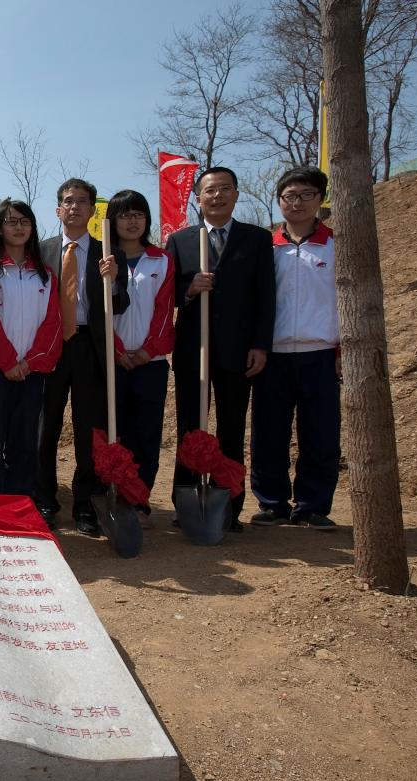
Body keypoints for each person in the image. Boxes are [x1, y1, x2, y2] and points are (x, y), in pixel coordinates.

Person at [168, 167, 276, 532]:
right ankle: (185, 501)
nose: (217, 196)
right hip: (191, 350)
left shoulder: (256, 239)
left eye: (224, 189)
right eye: (209, 191)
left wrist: (261, 344)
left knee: (231, 427)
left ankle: (229, 503)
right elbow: (167, 293)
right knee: (190, 427)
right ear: (198, 198)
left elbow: (266, 296)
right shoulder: (180, 241)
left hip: (237, 350)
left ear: (235, 194)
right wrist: (189, 287)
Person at [35, 179, 129, 536]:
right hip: (51, 345)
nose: (75, 207)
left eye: (82, 202)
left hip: (90, 345)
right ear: (58, 210)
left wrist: (115, 281)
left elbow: (120, 304)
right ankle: (44, 500)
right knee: (45, 426)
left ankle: (87, 504)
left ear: (93, 211)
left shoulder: (109, 253)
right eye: (68, 202)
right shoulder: (41, 251)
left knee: (89, 429)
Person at [250, 166, 340, 530]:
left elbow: (350, 300)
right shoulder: (266, 248)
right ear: (280, 201)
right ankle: (272, 503)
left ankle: (313, 505)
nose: (297, 203)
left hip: (321, 353)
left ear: (320, 199)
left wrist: (342, 351)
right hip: (273, 354)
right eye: (290, 196)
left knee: (320, 433)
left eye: (306, 195)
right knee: (268, 433)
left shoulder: (337, 245)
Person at [0, 200, 62, 496]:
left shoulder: (45, 274)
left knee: (25, 440)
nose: (19, 227)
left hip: (31, 372)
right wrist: (6, 361)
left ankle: (20, 502)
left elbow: (52, 323)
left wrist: (30, 362)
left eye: (25, 221)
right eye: (11, 221)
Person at [99, 190, 175, 528]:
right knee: (112, 434)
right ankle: (111, 499)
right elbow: (98, 312)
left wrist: (147, 350)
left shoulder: (162, 259)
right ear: (112, 221)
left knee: (145, 436)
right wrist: (115, 350)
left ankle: (139, 501)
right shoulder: (102, 259)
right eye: (124, 214)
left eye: (138, 214)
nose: (132, 221)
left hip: (150, 364)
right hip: (110, 363)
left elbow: (164, 311)